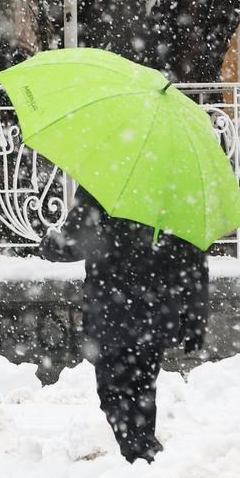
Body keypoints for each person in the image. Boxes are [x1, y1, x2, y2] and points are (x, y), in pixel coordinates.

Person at [40, 190, 209, 463]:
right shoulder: (175, 194)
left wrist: (48, 243)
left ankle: (139, 454)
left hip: (112, 313)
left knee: (113, 391)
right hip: (156, 312)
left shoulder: (104, 186)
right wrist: (195, 317)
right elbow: (193, 260)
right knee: (143, 387)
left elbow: (72, 244)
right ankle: (145, 452)